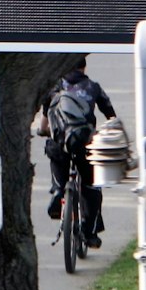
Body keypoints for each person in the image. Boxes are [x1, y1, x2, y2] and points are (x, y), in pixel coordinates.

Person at [39, 56, 117, 248]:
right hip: (85, 144)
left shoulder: (55, 88)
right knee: (92, 187)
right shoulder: (93, 87)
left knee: (56, 155)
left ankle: (58, 190)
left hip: (60, 144)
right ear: (84, 67)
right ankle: (89, 233)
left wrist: (45, 132)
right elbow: (111, 117)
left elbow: (43, 125)